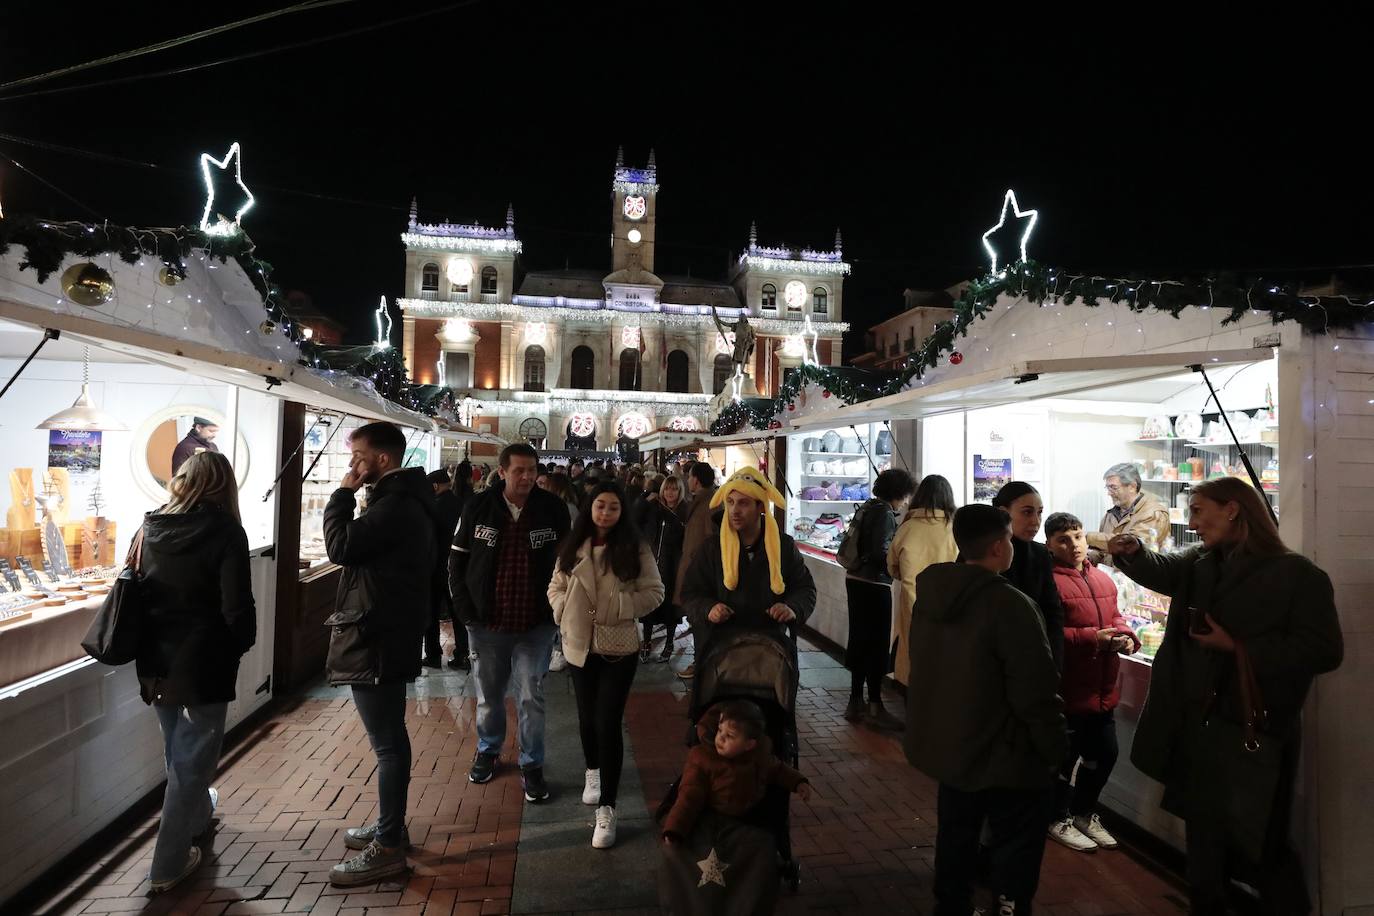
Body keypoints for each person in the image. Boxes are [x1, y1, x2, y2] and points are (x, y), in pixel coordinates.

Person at [1107, 477, 1342, 913]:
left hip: (1253, 731)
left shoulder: (1300, 576)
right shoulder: (1203, 562)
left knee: (1261, 845)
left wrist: (1237, 648)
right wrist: (1135, 554)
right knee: (1206, 848)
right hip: (1201, 728)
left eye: (1198, 511)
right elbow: (1162, 569)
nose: (1192, 523)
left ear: (1233, 510)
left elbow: (1325, 651)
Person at [905, 504, 1066, 916]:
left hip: (952, 746)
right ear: (998, 547)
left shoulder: (932, 595)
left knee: (956, 838)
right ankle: (1009, 906)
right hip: (1006, 754)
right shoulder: (1010, 605)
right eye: (1010, 539)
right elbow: (1035, 690)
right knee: (1014, 846)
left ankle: (951, 907)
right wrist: (1053, 748)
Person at [322, 422, 437, 886]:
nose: (353, 465)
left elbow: (340, 547)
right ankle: (392, 826)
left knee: (388, 744)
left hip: (378, 634)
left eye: (359, 457)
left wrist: (341, 495)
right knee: (390, 741)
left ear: (383, 460)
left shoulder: (396, 506)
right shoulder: (402, 500)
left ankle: (388, 845)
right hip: (386, 629)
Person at [138, 452, 255, 894]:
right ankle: (167, 863)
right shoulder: (226, 532)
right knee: (193, 759)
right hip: (204, 660)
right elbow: (236, 606)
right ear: (223, 485)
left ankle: (198, 818)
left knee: (178, 752)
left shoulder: (150, 526)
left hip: (157, 660)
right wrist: (240, 644)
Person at [449, 443, 570, 800]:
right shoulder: (478, 507)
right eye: (519, 470)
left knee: (532, 695)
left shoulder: (553, 509)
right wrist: (466, 612)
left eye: (532, 470)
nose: (527, 476)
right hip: (487, 623)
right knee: (489, 695)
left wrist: (557, 612)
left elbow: (568, 564)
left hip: (537, 623)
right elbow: (457, 562)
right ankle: (488, 749)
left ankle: (532, 763)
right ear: (501, 472)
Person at [547, 480, 664, 848]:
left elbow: (655, 592)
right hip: (580, 643)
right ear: (590, 507)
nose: (606, 513)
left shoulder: (634, 546)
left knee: (607, 720)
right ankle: (592, 770)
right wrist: (561, 610)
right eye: (600, 505)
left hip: (619, 645)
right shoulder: (573, 544)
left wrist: (621, 609)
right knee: (586, 717)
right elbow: (555, 585)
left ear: (622, 511)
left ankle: (608, 808)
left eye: (613, 507)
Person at [1042, 512, 1139, 854]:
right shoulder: (1047, 581)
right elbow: (1047, 636)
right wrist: (1090, 639)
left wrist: (1126, 636)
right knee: (1063, 762)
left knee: (1105, 754)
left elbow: (1116, 617)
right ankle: (1056, 818)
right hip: (1067, 691)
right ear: (1049, 545)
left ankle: (1083, 812)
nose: (1074, 546)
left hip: (1102, 691)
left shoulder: (1102, 579)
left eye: (1079, 537)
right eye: (1064, 540)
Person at [679, 467, 816, 666]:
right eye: (730, 502)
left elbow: (805, 588)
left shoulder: (783, 546)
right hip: (719, 654)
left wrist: (792, 607)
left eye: (743, 503)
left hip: (769, 653)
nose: (734, 510)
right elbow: (690, 593)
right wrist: (708, 608)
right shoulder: (711, 548)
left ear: (761, 506)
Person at [660, 700, 812, 843]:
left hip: (750, 814)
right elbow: (690, 795)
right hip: (712, 811)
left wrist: (798, 782)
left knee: (763, 842)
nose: (720, 738)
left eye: (730, 736)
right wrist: (675, 829)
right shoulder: (702, 758)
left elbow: (779, 770)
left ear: (749, 745)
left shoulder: (760, 756)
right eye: (720, 731)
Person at [843, 467, 916, 729]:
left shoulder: (868, 506)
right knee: (876, 643)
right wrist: (896, 567)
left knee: (859, 639)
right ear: (899, 492)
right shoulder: (885, 513)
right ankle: (875, 704)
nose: (907, 500)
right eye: (906, 494)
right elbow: (880, 552)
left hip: (855, 580)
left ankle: (855, 700)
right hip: (874, 584)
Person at [886, 474, 958, 688]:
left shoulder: (908, 528)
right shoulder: (954, 528)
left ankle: (915, 713)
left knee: (914, 658)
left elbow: (892, 566)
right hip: (949, 603)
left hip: (913, 602)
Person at [992, 482, 1065, 671]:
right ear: (1003, 512)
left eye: (1039, 512)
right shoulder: (985, 552)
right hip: (994, 663)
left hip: (1035, 660)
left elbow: (1052, 612)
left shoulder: (1040, 554)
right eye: (1027, 512)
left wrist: (1053, 662)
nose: (1036, 521)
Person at [673, 461, 718, 679]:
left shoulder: (710, 504)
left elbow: (711, 541)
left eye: (689, 477)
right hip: (695, 570)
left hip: (701, 575)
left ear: (696, 480)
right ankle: (701, 661)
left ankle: (702, 664)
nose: (687, 480)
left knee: (701, 622)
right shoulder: (701, 502)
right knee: (697, 621)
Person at [639, 473, 688, 663]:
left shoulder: (684, 511)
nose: (670, 492)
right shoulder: (654, 508)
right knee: (649, 606)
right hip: (653, 564)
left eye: (674, 488)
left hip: (674, 566)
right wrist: (644, 499)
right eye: (667, 488)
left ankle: (669, 642)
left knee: (670, 608)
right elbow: (635, 519)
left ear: (680, 491)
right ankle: (646, 641)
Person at [425, 469, 469, 670]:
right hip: (456, 568)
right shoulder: (462, 505)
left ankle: (433, 655)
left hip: (434, 569)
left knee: (431, 613)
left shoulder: (431, 508)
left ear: (435, 486)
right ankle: (463, 654)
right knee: (458, 613)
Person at [1086, 463, 1171, 564]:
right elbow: (1101, 552)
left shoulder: (1154, 514)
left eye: (1113, 487)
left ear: (1132, 486)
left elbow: (1130, 546)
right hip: (1114, 578)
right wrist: (1084, 559)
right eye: (1108, 488)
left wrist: (1087, 537)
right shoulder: (1110, 515)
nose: (1109, 493)